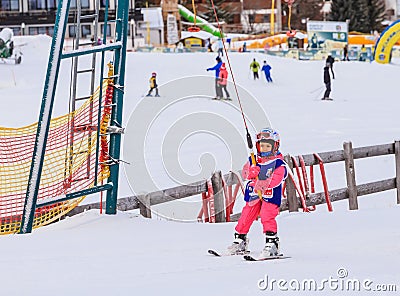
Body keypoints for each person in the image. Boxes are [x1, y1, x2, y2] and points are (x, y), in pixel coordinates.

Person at [228, 128, 287, 257]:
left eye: (267, 146)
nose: (264, 148)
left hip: (270, 197)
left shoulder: (278, 163)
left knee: (267, 216)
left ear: (275, 146)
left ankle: (272, 243)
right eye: (262, 145)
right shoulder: (254, 160)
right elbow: (245, 173)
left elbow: (277, 179)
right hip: (254, 196)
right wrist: (251, 172)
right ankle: (240, 240)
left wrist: (261, 180)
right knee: (246, 216)